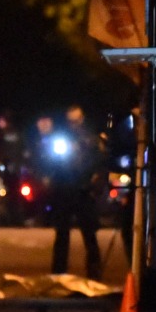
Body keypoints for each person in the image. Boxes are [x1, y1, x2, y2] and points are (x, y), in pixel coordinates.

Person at [46, 104, 105, 280]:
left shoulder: (91, 138)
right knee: (62, 233)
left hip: (84, 191)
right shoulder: (62, 138)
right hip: (65, 190)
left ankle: (94, 273)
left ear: (82, 119)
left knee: (89, 234)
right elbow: (52, 162)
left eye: (76, 121)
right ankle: (58, 273)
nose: (74, 125)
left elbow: (100, 162)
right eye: (71, 121)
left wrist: (95, 182)